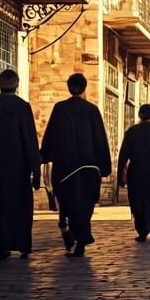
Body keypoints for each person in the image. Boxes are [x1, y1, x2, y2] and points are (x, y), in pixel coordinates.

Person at [40, 72, 112, 258]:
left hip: (66, 168)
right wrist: (105, 166)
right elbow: (100, 139)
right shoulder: (92, 110)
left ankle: (73, 233)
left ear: (69, 87)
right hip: (89, 168)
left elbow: (51, 137)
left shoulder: (60, 109)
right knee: (85, 205)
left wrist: (44, 157)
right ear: (85, 87)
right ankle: (81, 237)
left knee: (68, 204)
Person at [0, 68, 41, 260]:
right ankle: (23, 244)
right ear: (17, 85)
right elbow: (30, 139)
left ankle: (1, 245)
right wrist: (35, 170)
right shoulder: (23, 107)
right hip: (18, 168)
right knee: (19, 206)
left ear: (0, 84)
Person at [117, 104, 150, 241]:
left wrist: (121, 178)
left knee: (137, 201)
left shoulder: (131, 131)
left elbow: (123, 156)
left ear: (139, 115)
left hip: (135, 173)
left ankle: (142, 230)